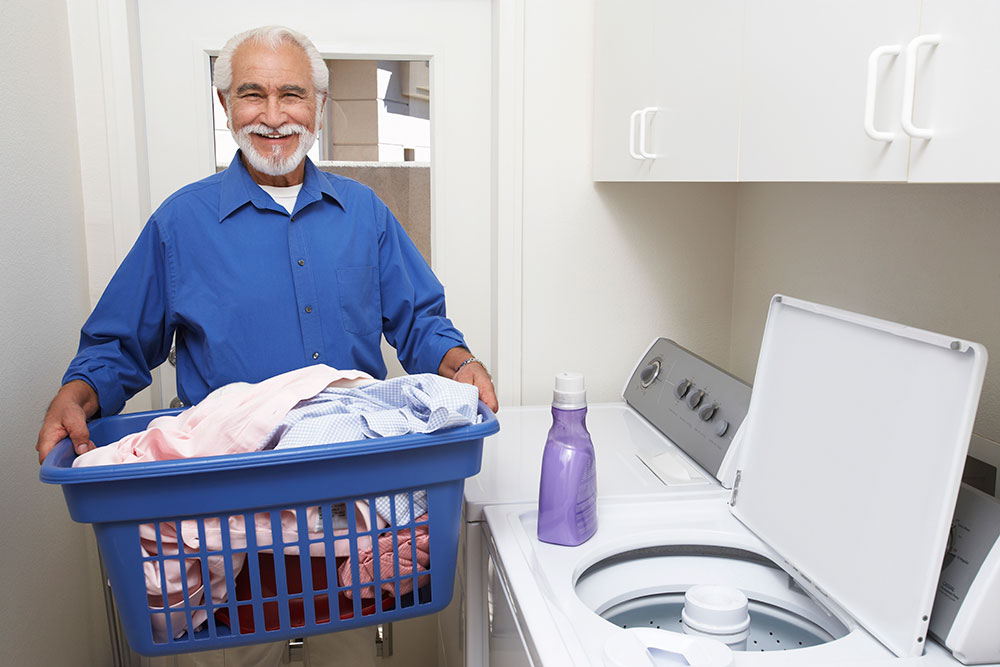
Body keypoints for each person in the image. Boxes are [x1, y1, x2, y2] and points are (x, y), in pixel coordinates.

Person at [34, 24, 497, 666]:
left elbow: (421, 323)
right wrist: (78, 392)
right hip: (223, 545)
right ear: (226, 106)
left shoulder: (365, 214)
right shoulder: (181, 223)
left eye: (292, 95)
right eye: (253, 95)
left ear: (319, 107)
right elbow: (118, 344)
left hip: (352, 530)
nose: (274, 117)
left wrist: (461, 364)